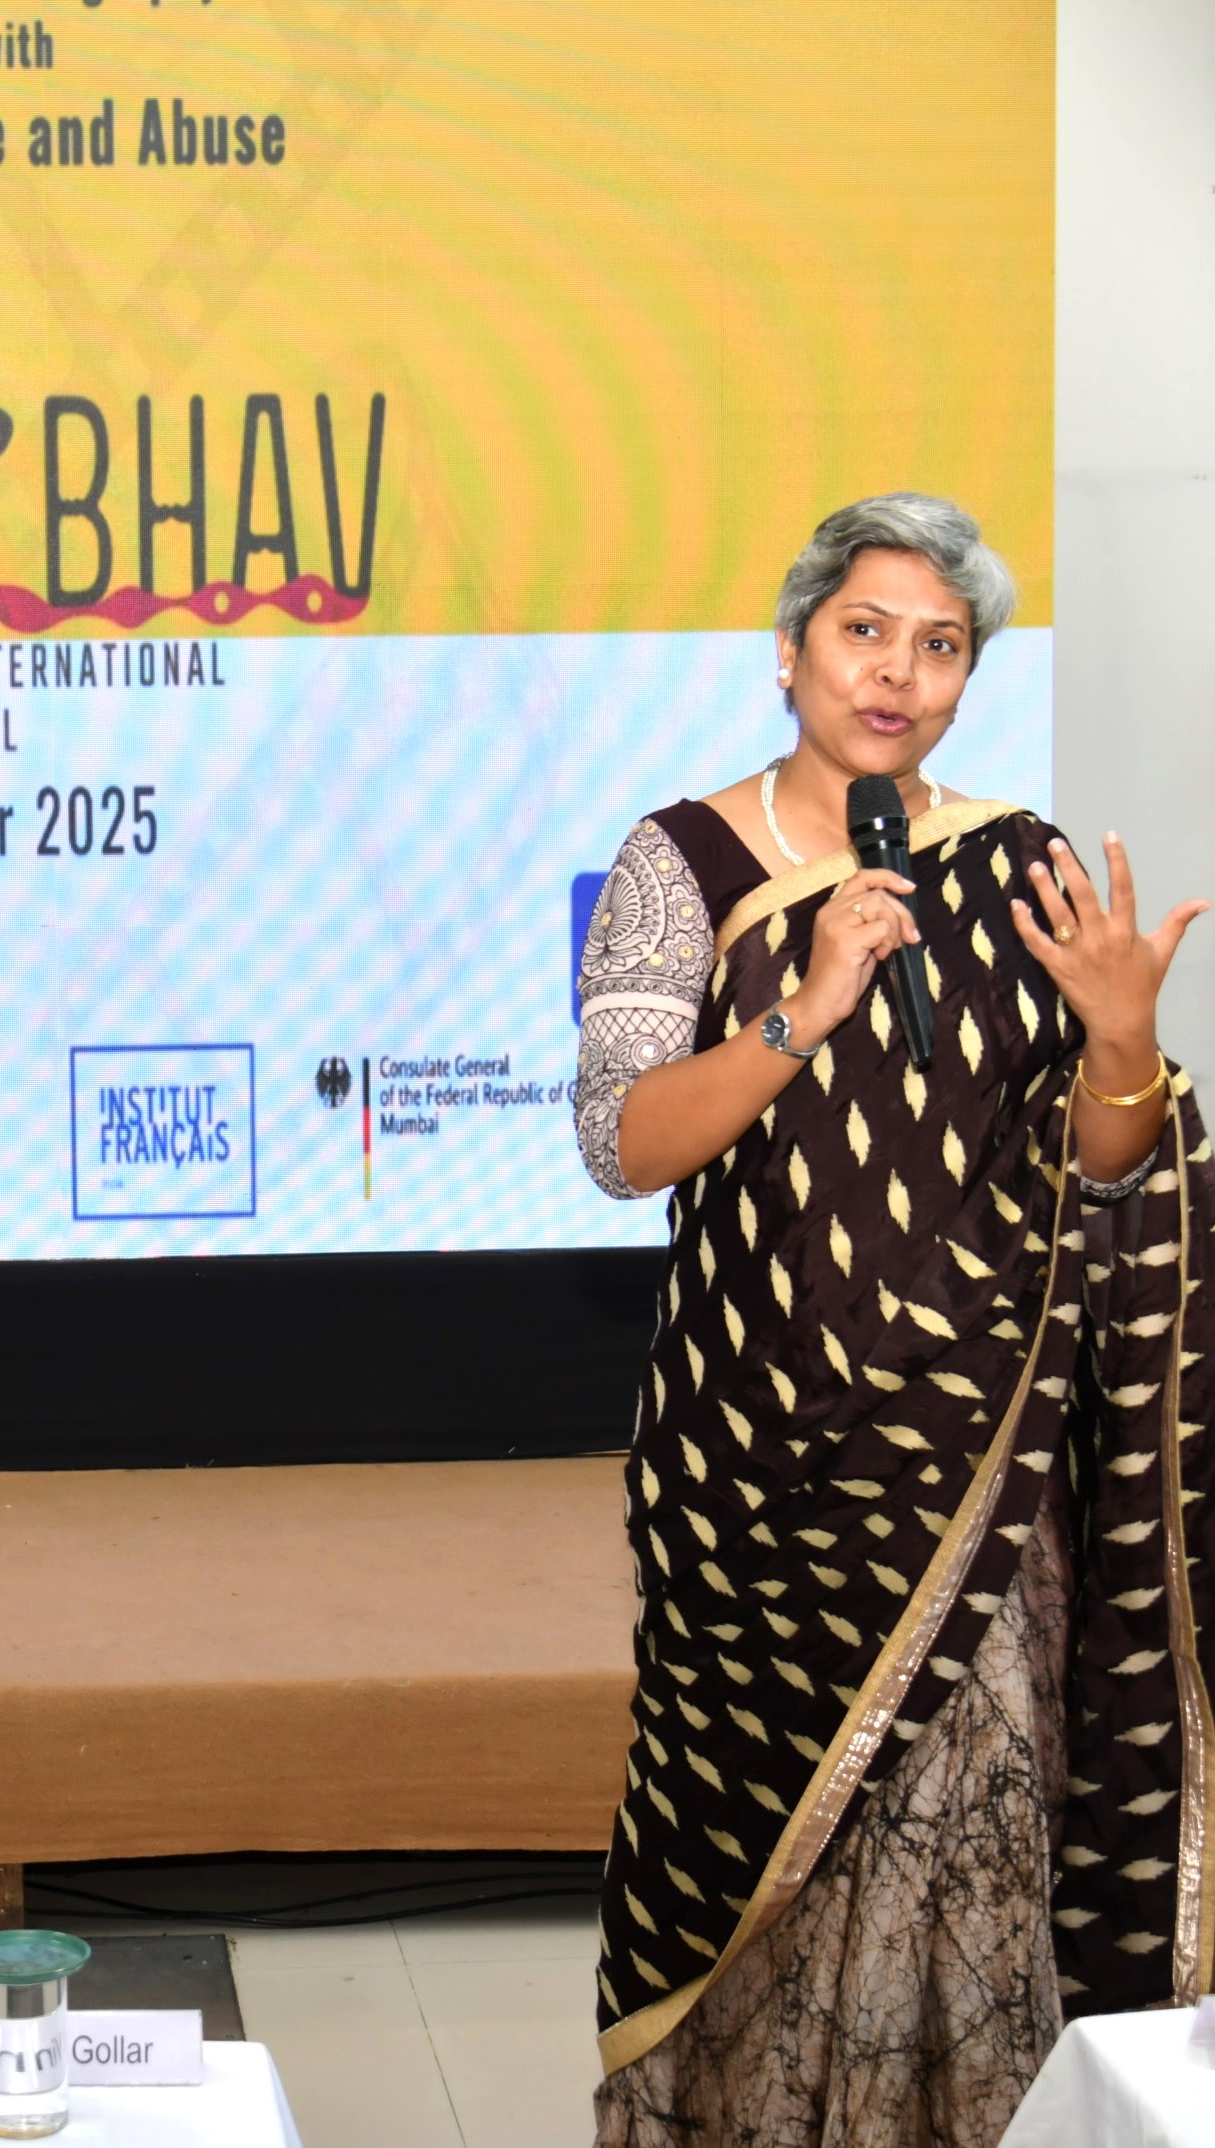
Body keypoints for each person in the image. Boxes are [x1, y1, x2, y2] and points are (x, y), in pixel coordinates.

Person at [574, 494, 1215, 2142]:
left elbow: (1095, 1178)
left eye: (938, 647)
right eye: (863, 631)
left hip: (975, 1466)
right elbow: (621, 1145)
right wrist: (805, 1008)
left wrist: (1122, 1048)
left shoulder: (1016, 864)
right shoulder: (680, 862)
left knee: (973, 1823)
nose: (896, 674)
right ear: (788, 652)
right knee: (749, 1847)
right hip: (757, 1460)